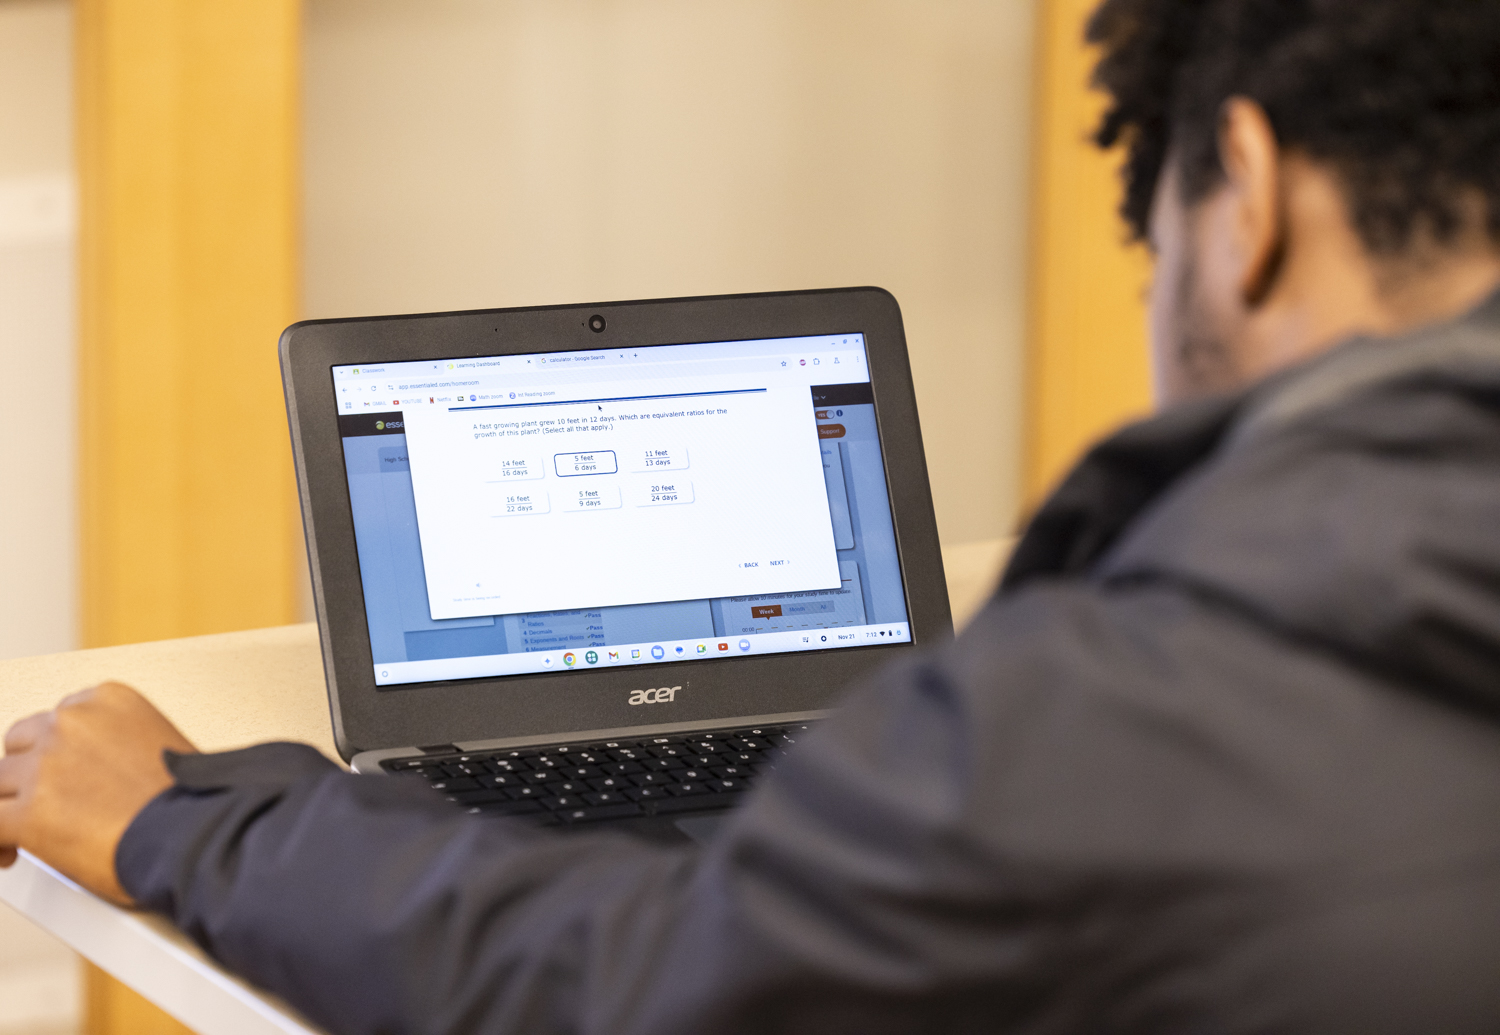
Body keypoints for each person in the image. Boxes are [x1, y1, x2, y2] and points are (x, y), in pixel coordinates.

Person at [6, 0, 1500, 1030]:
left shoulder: (1158, 716)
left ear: (1244, 197)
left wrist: (194, 819)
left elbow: (646, 988)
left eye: (1150, 236)